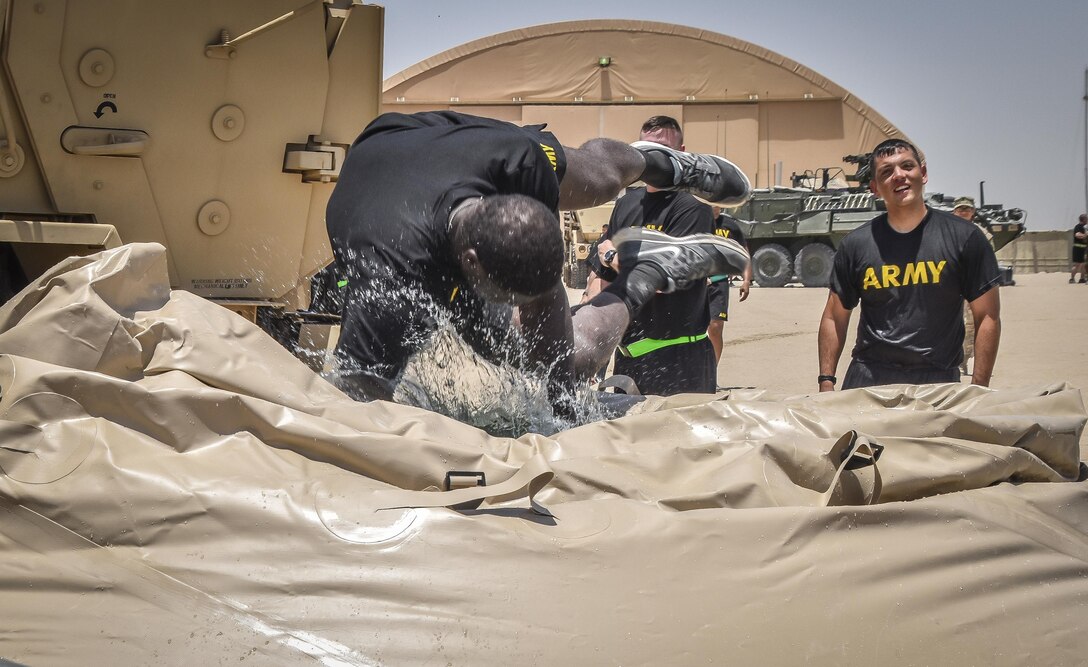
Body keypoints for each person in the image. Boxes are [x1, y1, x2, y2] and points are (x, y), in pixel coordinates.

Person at [325, 110, 751, 413]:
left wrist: (561, 386)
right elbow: (357, 407)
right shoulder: (389, 292)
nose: (540, 305)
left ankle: (665, 163)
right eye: (523, 297)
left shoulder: (520, 162)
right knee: (536, 351)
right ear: (471, 268)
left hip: (457, 144)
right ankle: (651, 270)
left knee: (597, 177)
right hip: (393, 188)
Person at [816, 138, 1002, 391]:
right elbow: (834, 316)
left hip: (938, 382)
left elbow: (987, 315)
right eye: (886, 172)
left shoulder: (965, 238)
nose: (899, 176)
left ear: (923, 174)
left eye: (907, 166)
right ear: (875, 188)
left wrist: (979, 388)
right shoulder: (856, 245)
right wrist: (826, 382)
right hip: (869, 379)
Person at [589, 116, 717, 395]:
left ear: (681, 154)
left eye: (663, 151)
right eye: (646, 152)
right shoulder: (626, 204)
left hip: (679, 362)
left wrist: (612, 254)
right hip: (629, 360)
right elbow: (600, 277)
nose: (654, 160)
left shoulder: (692, 210)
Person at [707, 208, 752, 366]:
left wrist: (746, 280)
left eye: (719, 203)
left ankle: (712, 372)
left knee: (715, 327)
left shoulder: (729, 225)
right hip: (695, 283)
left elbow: (744, 253)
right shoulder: (695, 221)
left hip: (719, 282)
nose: (716, 207)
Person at [951, 196, 978, 375]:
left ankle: (962, 362)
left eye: (967, 209)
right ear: (954, 211)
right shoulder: (942, 232)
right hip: (947, 288)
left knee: (969, 326)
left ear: (972, 213)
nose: (963, 212)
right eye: (960, 209)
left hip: (970, 288)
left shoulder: (980, 235)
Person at [1071, 213, 1087, 284]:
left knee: (1083, 265)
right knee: (1077, 265)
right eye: (1086, 219)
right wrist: (1085, 235)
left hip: (1083, 249)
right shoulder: (1078, 226)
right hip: (1077, 249)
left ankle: (1082, 279)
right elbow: (1077, 235)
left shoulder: (1084, 227)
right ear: (1083, 219)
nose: (1087, 220)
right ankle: (1071, 279)